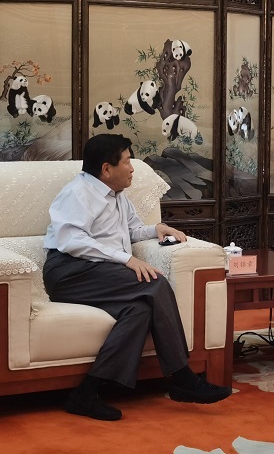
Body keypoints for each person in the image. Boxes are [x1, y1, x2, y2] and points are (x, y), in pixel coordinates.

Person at [43, 134, 231, 421]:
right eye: (127, 161)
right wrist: (126, 259)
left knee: (140, 309)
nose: (133, 168)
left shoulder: (117, 195)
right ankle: (182, 377)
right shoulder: (78, 193)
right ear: (106, 169)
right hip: (69, 272)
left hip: (99, 271)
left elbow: (130, 231)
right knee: (155, 283)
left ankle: (86, 393)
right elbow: (71, 241)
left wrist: (156, 229)